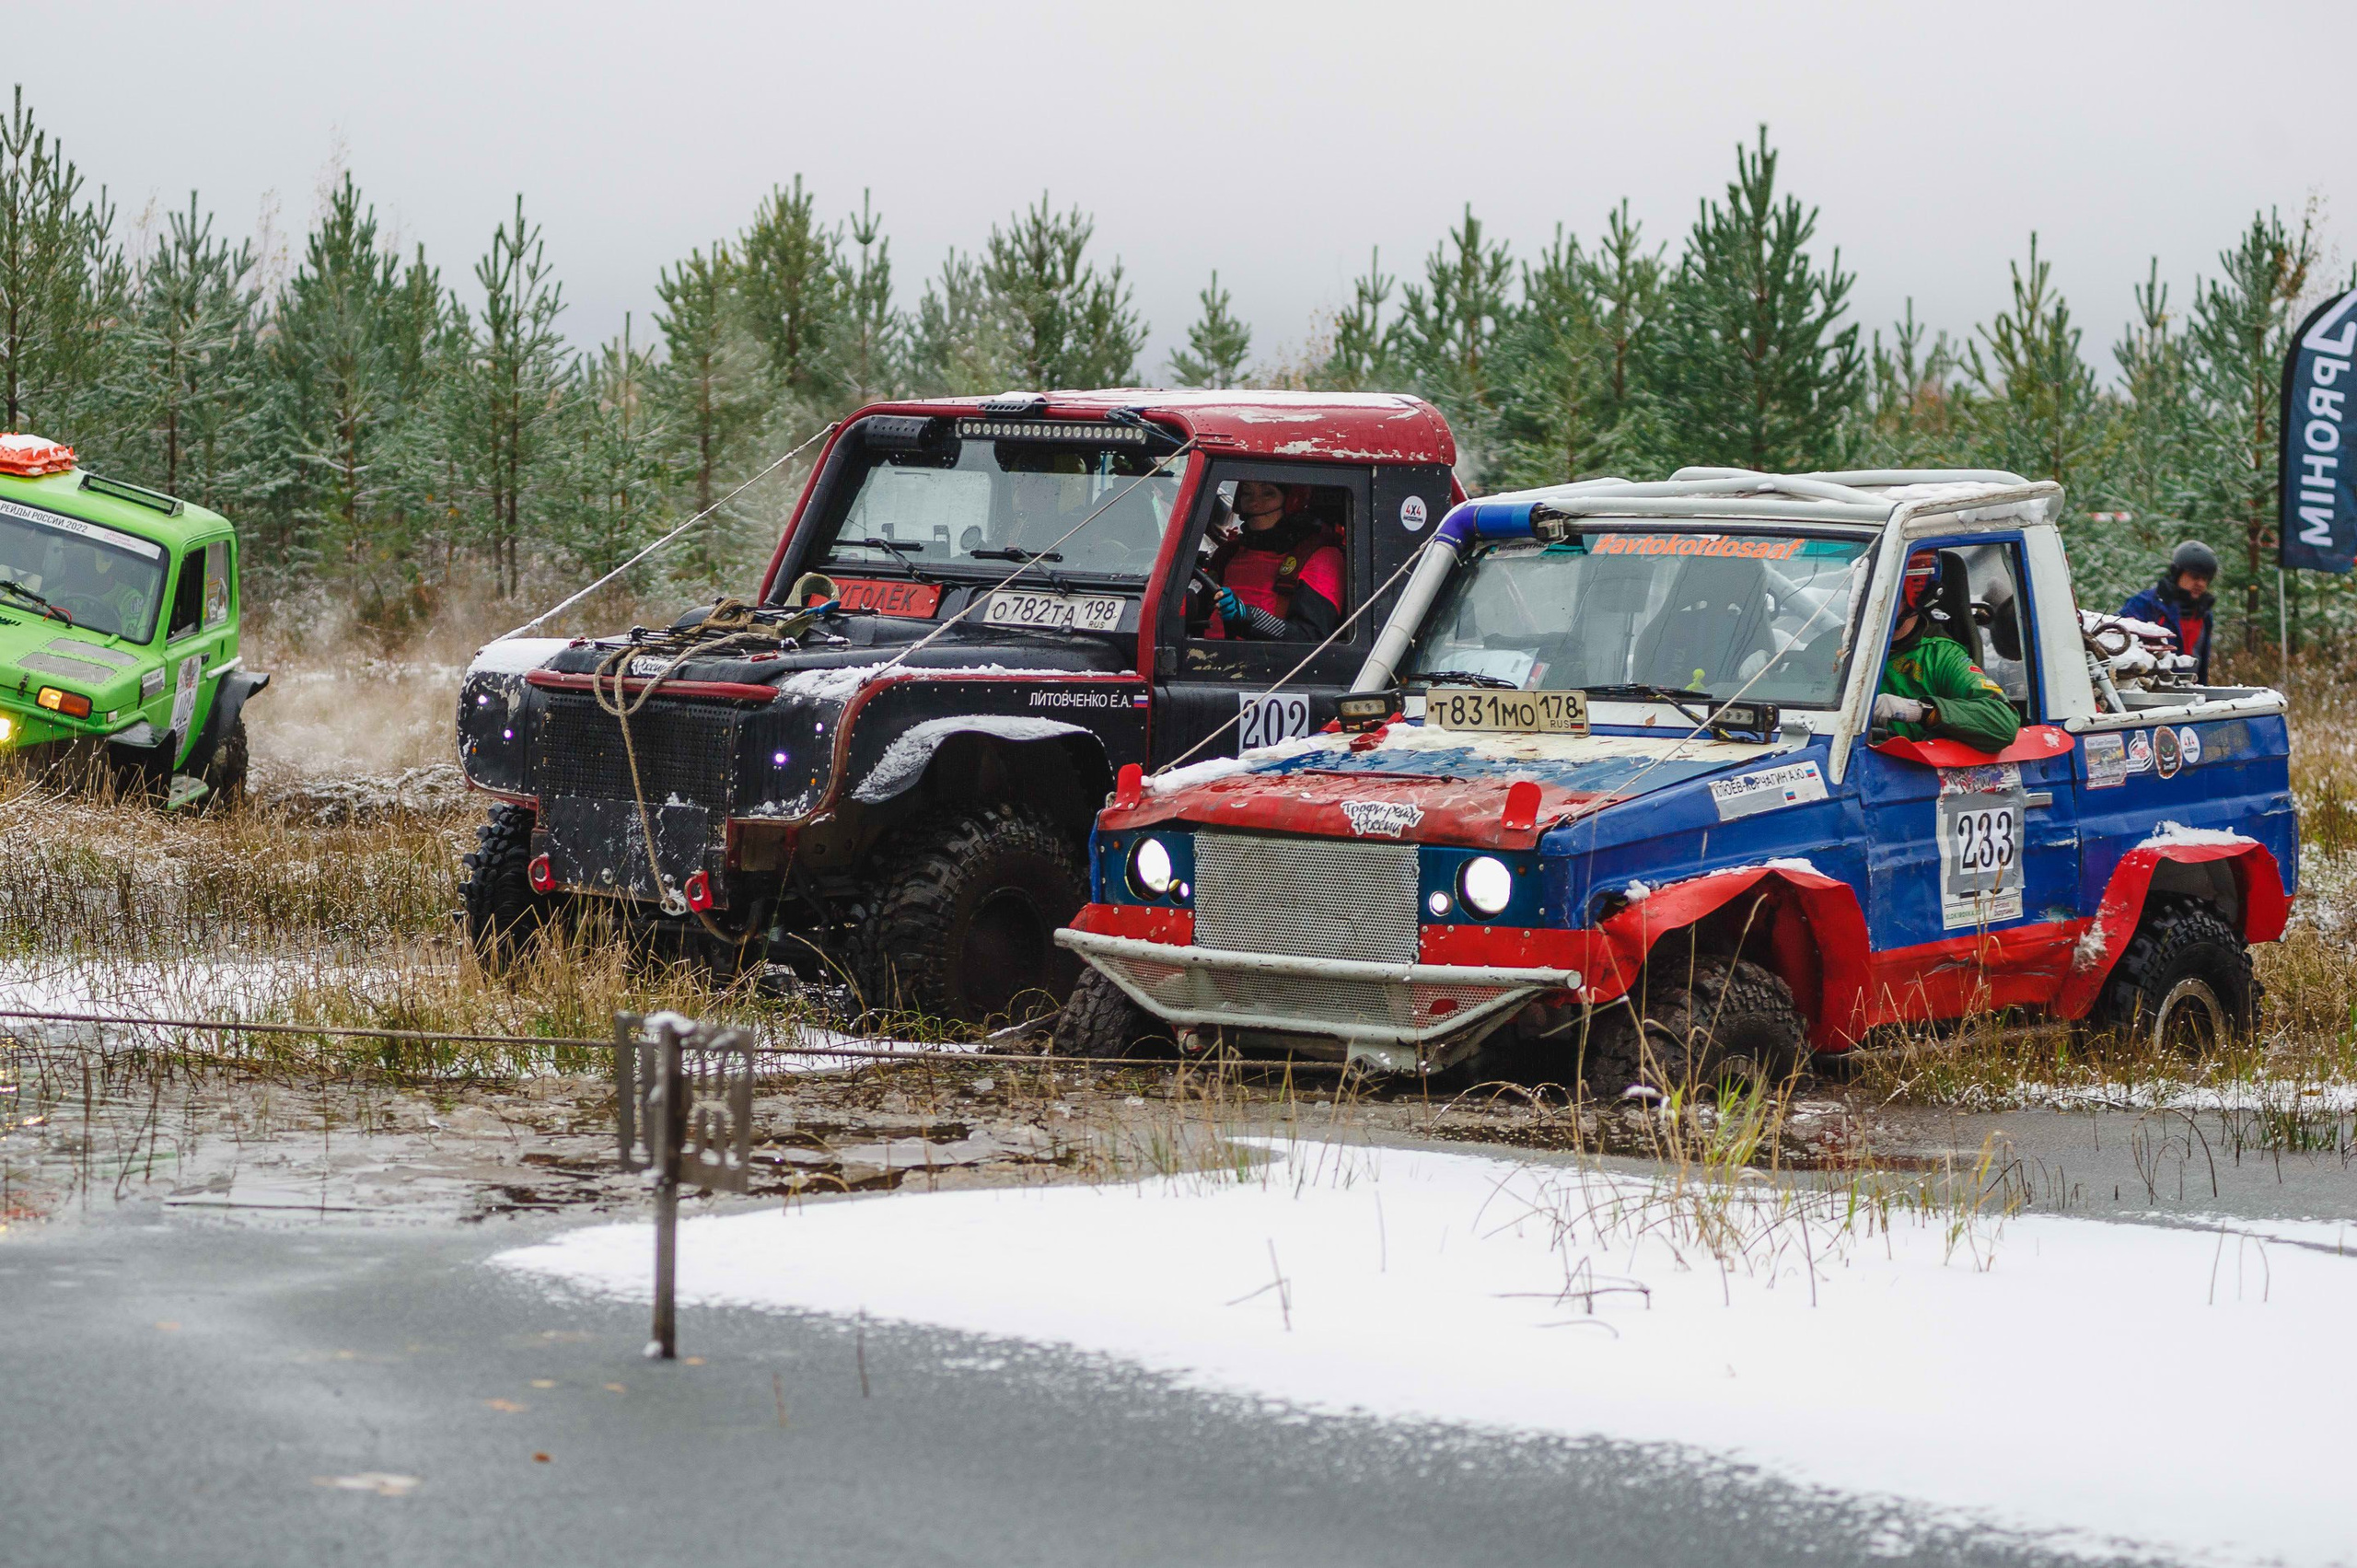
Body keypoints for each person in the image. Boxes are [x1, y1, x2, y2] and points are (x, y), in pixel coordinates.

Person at [1873, 550, 2022, 753]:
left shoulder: (1941, 656)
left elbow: (2003, 722)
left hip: (1903, 772)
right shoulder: (1839, 645)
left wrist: (1918, 711)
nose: (1871, 604)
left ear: (1915, 596)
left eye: (1884, 594)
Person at [1200, 480, 1344, 642]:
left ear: (1293, 499)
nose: (1254, 503)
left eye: (1268, 493)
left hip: (1270, 664)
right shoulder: (1228, 552)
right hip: (1203, 656)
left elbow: (1310, 639)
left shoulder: (1319, 556)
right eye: (1247, 493)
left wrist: (1248, 617)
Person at [2119, 540, 2218, 683]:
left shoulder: (2204, 615)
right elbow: (2116, 640)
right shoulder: (2144, 605)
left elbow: (2202, 666)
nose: (2201, 584)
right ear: (2177, 573)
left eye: (2205, 578)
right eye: (2194, 576)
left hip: (2190, 693)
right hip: (2150, 692)